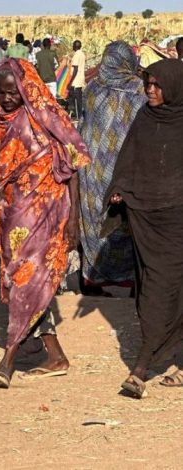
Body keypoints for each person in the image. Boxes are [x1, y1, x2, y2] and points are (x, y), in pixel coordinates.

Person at [0, 58, 90, 388]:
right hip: (16, 217)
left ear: (27, 89)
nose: (8, 98)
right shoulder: (0, 120)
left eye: (13, 92)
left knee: (27, 283)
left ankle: (8, 360)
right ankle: (55, 355)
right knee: (27, 284)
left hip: (48, 214)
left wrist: (75, 221)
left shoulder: (47, 117)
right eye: (2, 93)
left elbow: (73, 168)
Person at [106, 59, 183, 398]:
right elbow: (129, 160)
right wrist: (120, 187)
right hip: (147, 219)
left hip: (178, 219)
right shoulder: (144, 117)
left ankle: (140, 367)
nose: (150, 90)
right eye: (147, 84)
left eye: (157, 84)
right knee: (153, 287)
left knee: (166, 291)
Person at [78, 42, 146, 294]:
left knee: (95, 220)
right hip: (126, 169)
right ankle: (130, 282)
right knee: (124, 224)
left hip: (93, 171)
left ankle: (92, 281)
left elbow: (84, 126)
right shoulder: (140, 91)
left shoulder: (92, 89)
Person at [68, 40, 86, 120]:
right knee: (79, 98)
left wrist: (70, 82)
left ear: (75, 46)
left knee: (76, 99)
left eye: (73, 45)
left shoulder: (76, 56)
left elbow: (75, 69)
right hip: (80, 79)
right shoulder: (82, 54)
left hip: (76, 80)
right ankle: (80, 115)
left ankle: (78, 116)